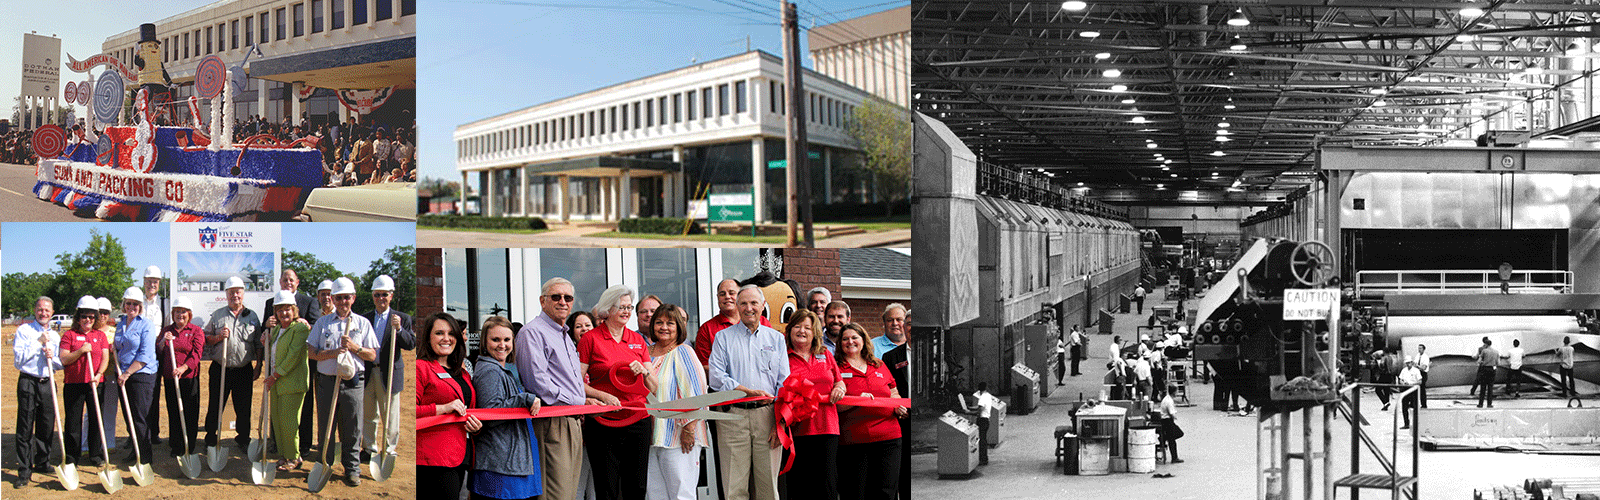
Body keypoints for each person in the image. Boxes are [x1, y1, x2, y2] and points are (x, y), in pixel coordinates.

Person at [709, 286, 790, 500]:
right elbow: (716, 378)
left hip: (768, 416)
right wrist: (744, 391)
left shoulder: (776, 339)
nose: (749, 308)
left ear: (763, 306)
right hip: (732, 417)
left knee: (767, 487)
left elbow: (784, 383)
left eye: (754, 303)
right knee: (733, 486)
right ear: (737, 306)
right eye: (743, 303)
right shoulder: (723, 338)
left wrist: (779, 422)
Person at [578, 284, 658, 500]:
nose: (627, 312)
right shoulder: (590, 338)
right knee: (606, 487)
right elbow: (575, 383)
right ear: (607, 309)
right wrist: (602, 396)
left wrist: (644, 372)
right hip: (604, 421)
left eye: (630, 307)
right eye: (621, 307)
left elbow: (654, 387)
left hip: (637, 419)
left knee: (637, 486)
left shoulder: (637, 339)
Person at [516, 278, 589, 500]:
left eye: (568, 298)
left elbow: (570, 382)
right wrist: (579, 402)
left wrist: (583, 402)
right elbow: (538, 384)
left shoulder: (564, 335)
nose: (562, 302)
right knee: (554, 494)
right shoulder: (533, 333)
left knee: (568, 492)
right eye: (556, 297)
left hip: (572, 419)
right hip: (553, 421)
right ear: (542, 301)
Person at [308, 277, 380, 486]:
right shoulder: (323, 323)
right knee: (325, 426)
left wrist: (355, 347)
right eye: (338, 298)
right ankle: (325, 463)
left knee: (352, 426)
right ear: (333, 298)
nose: (342, 302)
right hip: (327, 382)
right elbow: (312, 352)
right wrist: (332, 353)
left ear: (353, 298)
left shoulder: (362, 323)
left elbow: (372, 355)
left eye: (346, 297)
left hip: (353, 382)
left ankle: (352, 469)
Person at [471, 316, 543, 500]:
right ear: (484, 343)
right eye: (495, 340)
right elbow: (491, 415)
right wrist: (523, 398)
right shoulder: (490, 371)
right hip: (500, 466)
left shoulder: (502, 368)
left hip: (509, 462)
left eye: (506, 340)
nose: (501, 345)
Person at [646, 306, 709, 500]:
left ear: (679, 327)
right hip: (650, 436)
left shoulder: (684, 352)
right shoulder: (644, 353)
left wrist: (689, 430)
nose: (664, 327)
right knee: (654, 494)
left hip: (678, 437)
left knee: (682, 494)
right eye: (659, 322)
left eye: (670, 323)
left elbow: (698, 395)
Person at [836, 323, 905, 500]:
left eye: (854, 338)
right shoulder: (836, 367)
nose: (850, 342)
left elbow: (893, 391)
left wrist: (898, 406)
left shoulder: (878, 364)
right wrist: (858, 400)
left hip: (889, 438)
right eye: (845, 339)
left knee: (886, 491)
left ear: (863, 340)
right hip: (854, 441)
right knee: (855, 492)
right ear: (840, 343)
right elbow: (832, 405)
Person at [781, 309, 844, 499]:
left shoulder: (825, 354)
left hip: (827, 428)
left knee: (827, 484)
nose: (802, 331)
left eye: (807, 327)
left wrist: (840, 388)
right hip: (797, 429)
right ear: (790, 330)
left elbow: (839, 381)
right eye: (797, 326)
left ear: (814, 331)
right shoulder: (783, 356)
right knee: (799, 484)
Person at [417, 312, 479, 498]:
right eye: (439, 333)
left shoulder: (462, 372)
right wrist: (443, 408)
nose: (446, 338)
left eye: (451, 334)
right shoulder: (421, 367)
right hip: (432, 459)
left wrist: (476, 427)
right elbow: (408, 411)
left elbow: (468, 409)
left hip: (460, 455)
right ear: (428, 337)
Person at [204, 277, 263, 456]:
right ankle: (211, 438)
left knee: (243, 407)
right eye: (231, 292)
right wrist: (219, 337)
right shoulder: (218, 315)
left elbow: (259, 344)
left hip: (243, 370)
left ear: (243, 293)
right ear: (226, 295)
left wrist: (259, 365)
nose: (234, 295)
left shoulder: (252, 316)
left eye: (238, 291)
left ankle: (243, 438)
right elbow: (207, 338)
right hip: (220, 368)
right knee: (215, 405)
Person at [362, 275, 415, 472]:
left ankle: (389, 450)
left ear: (391, 296)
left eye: (384, 294)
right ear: (373, 296)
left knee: (390, 416)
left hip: (389, 373)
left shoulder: (402, 318)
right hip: (368, 372)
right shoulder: (365, 318)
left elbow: (410, 344)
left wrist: (399, 329)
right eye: (377, 295)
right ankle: (369, 448)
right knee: (369, 414)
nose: (381, 298)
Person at [12, 297, 62, 488]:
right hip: (28, 381)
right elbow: (18, 360)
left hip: (47, 382)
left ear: (52, 312)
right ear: (35, 310)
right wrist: (37, 344)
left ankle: (42, 462)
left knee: (46, 424)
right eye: (40, 309)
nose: (44, 313)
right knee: (25, 426)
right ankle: (24, 470)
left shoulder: (55, 336)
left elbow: (58, 364)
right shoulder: (24, 331)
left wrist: (53, 357)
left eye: (47, 310)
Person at [61, 296, 111, 468]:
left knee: (96, 420)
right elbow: (64, 359)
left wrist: (99, 374)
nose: (88, 320)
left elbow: (105, 358)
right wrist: (81, 351)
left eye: (91, 317)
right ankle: (72, 456)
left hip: (95, 383)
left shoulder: (100, 336)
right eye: (84, 316)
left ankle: (95, 454)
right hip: (74, 383)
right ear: (78, 317)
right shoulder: (69, 335)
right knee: (73, 421)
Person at [265, 291, 311, 472]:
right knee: (277, 421)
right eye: (280, 310)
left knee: (289, 422)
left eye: (288, 310)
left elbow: (293, 356)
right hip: (277, 382)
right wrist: (265, 340)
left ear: (294, 310)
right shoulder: (277, 329)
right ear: (275, 312)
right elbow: (274, 352)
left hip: (291, 382)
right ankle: (284, 455)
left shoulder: (299, 329)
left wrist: (275, 376)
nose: (284, 313)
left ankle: (294, 456)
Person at [114, 287, 158, 468]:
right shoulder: (121, 323)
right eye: (128, 303)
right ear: (124, 305)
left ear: (140, 306)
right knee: (128, 415)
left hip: (141, 376)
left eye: (135, 304)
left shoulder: (146, 325)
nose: (131, 306)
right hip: (123, 375)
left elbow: (145, 355)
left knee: (140, 417)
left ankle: (145, 456)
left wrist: (127, 373)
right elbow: (119, 346)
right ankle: (135, 449)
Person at [158, 297, 204, 461]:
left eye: (183, 311)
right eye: (177, 311)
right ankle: (176, 444)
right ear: (173, 313)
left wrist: (184, 368)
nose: (180, 315)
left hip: (189, 377)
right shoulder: (167, 330)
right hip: (171, 378)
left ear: (189, 314)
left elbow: (197, 353)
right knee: (174, 411)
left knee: (190, 411)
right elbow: (158, 350)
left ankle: (189, 444)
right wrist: (164, 341)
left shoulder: (196, 330)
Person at [694, 279, 743, 369]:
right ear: (717, 298)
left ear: (741, 296)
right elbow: (703, 367)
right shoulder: (706, 329)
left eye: (732, 293)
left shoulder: (760, 322)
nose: (727, 297)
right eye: (722, 294)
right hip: (723, 382)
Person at [140, 266, 164, 445]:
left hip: (158, 351)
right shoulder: (136, 301)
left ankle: (153, 432)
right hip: (138, 352)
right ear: (144, 282)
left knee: (154, 391)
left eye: (155, 281)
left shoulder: (165, 303)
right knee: (137, 393)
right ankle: (136, 432)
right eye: (149, 281)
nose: (152, 284)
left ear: (159, 283)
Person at [958, 382, 996, 466]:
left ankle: (983, 459)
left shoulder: (982, 397)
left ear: (978, 389)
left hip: (982, 420)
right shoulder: (988, 395)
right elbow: (980, 407)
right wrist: (970, 407)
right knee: (983, 440)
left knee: (981, 441)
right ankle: (984, 458)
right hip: (986, 420)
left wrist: (968, 412)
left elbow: (980, 411)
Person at [1156, 385, 1183, 463]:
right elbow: (1171, 413)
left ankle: (1165, 438)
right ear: (1174, 392)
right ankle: (1174, 457)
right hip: (1167, 420)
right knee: (1177, 435)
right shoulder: (1169, 401)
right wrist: (1175, 417)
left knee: (1173, 438)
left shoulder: (1167, 398)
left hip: (1165, 420)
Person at [1397, 360, 1423, 429]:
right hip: (1405, 389)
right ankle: (1406, 423)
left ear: (1412, 363)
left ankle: (1417, 423)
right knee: (1404, 407)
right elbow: (1400, 379)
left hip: (1413, 389)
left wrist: (1411, 384)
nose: (1408, 364)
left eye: (1409, 363)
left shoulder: (1416, 371)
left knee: (1414, 407)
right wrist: (1402, 383)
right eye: (1407, 363)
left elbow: (1420, 381)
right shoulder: (1404, 370)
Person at [1474, 337, 1498, 408]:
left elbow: (1479, 361)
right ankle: (1489, 404)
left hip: (1485, 369)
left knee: (1483, 387)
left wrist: (1482, 362)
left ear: (1486, 344)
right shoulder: (1496, 352)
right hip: (1492, 370)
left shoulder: (1484, 351)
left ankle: (1480, 404)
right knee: (1490, 388)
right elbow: (1498, 362)